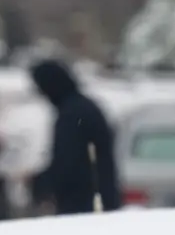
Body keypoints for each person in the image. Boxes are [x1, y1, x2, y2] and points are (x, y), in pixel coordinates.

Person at [29, 59, 119, 216]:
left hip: (84, 204)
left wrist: (41, 183)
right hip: (101, 198)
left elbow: (68, 160)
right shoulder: (83, 107)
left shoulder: (72, 115)